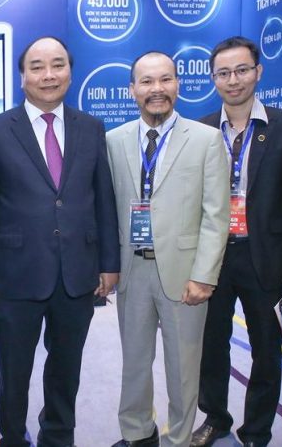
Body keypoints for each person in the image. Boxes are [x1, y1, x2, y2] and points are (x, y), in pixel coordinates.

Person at [0, 36, 120, 447]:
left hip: (77, 273)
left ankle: (58, 436)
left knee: (66, 369)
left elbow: (103, 199)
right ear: (22, 77)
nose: (48, 75)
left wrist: (109, 263)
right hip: (16, 275)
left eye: (57, 65)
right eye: (37, 67)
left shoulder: (91, 127)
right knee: (13, 371)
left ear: (70, 72)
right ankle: (12, 438)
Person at [106, 51, 229, 447]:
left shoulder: (207, 139)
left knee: (183, 368)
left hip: (184, 273)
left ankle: (178, 438)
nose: (156, 89)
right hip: (132, 270)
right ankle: (138, 433)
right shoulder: (113, 141)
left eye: (165, 79)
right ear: (132, 89)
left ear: (178, 84)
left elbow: (216, 215)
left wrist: (204, 275)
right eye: (146, 81)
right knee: (134, 363)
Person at [190, 37, 282, 447]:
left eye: (241, 70)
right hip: (212, 256)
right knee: (210, 346)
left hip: (264, 256)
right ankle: (215, 418)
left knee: (266, 350)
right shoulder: (198, 130)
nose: (233, 80)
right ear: (213, 78)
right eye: (223, 73)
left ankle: (256, 432)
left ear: (258, 71)